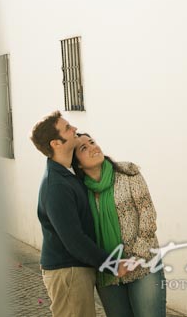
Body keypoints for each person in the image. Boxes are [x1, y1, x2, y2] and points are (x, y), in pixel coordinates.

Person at [30, 111, 123, 317]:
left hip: (73, 271)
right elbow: (73, 239)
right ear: (56, 143)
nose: (74, 129)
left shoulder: (67, 173)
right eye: (67, 128)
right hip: (68, 272)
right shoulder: (57, 185)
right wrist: (113, 265)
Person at [73, 133, 166, 317]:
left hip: (143, 264)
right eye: (84, 148)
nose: (93, 147)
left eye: (92, 142)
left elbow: (147, 215)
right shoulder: (79, 190)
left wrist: (136, 258)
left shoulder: (127, 172)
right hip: (109, 271)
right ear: (78, 165)